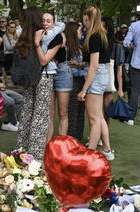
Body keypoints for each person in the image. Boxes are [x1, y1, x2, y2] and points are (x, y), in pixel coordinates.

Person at [15, 7, 61, 160]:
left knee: (27, 114)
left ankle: (20, 152)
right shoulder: (47, 36)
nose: (44, 22)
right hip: (42, 77)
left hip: (28, 79)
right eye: (42, 19)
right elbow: (43, 61)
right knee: (40, 117)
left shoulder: (24, 36)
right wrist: (36, 42)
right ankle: (34, 158)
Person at [77, 6, 114, 160]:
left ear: (89, 19)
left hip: (96, 75)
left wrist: (84, 90)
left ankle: (90, 153)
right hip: (101, 73)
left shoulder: (94, 36)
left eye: (84, 19)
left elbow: (93, 65)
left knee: (93, 118)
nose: (83, 22)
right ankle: (107, 150)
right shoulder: (101, 34)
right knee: (98, 116)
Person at [43, 13, 73, 142]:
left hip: (61, 72)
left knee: (62, 113)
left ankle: (61, 146)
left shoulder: (59, 34)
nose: (45, 23)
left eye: (48, 21)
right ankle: (47, 145)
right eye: (43, 21)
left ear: (54, 23)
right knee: (49, 114)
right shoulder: (39, 36)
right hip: (46, 73)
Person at [66, 22, 86, 141]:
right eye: (79, 31)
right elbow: (68, 66)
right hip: (72, 81)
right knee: (73, 110)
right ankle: (71, 138)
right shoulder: (68, 48)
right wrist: (79, 66)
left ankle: (78, 136)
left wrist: (79, 65)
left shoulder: (79, 46)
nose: (81, 33)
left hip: (81, 80)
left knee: (80, 110)